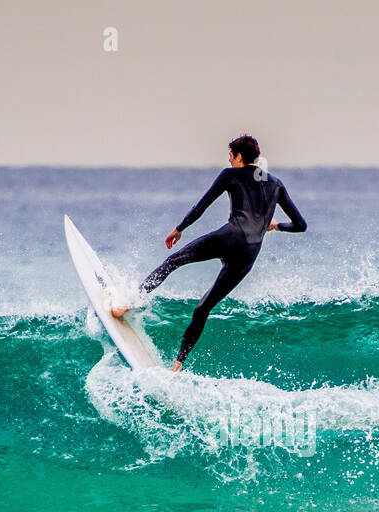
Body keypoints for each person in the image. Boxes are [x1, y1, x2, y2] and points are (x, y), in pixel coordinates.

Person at [112, 135, 307, 371]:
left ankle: (127, 304)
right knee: (203, 308)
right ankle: (177, 366)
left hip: (231, 236)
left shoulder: (230, 174)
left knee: (173, 262)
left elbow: (201, 206)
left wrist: (179, 229)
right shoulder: (277, 184)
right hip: (250, 253)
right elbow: (300, 225)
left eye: (230, 156)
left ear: (238, 156)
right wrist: (276, 225)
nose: (229, 160)